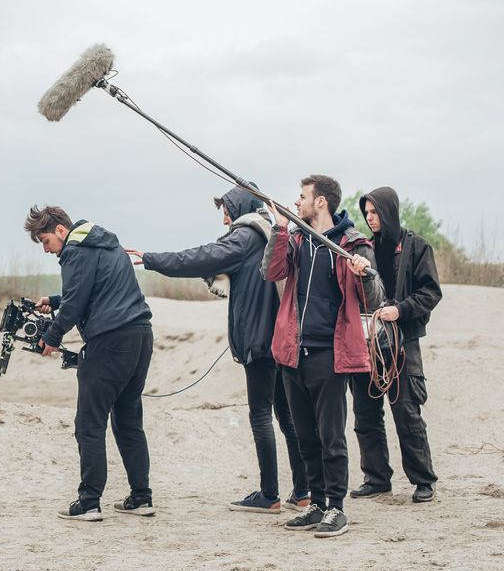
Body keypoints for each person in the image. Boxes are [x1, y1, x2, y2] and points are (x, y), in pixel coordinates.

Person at [126, 187, 309, 514]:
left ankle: (269, 495)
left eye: (226, 209)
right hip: (278, 338)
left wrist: (151, 259)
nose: (224, 217)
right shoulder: (268, 232)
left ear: (239, 207)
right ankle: (303, 491)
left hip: (259, 339)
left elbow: (199, 257)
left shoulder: (245, 237)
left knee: (261, 414)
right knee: (287, 416)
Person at [262, 174, 384, 538]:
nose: (296, 202)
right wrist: (279, 229)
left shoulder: (353, 244)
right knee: (304, 436)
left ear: (321, 202)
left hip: (330, 354)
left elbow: (374, 299)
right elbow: (271, 271)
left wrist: (362, 277)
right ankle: (316, 503)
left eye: (301, 197)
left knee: (331, 436)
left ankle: (336, 508)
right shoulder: (297, 239)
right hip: (292, 353)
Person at [25, 205, 154, 521]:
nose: (46, 250)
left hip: (109, 342)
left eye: (45, 241)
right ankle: (141, 497)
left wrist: (51, 338)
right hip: (140, 336)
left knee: (89, 424)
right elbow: (90, 290)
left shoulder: (75, 252)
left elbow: (75, 305)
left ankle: (89, 502)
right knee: (127, 419)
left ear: (59, 230)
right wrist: (54, 302)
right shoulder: (104, 243)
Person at [349, 187, 441, 503]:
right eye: (367, 213)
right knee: (365, 411)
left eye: (375, 212)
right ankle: (376, 479)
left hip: (404, 342)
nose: (370, 218)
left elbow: (432, 293)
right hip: (368, 341)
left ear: (389, 211)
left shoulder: (417, 247)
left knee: (407, 411)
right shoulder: (365, 250)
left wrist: (399, 309)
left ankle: (423, 481)